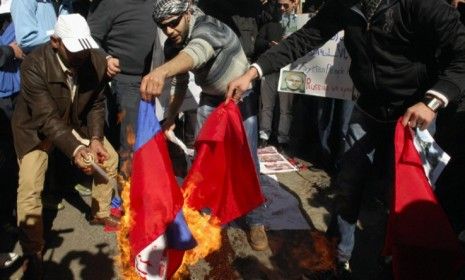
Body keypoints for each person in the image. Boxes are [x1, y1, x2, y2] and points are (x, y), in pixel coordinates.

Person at [227, 0, 465, 276]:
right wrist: (253, 72)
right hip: (367, 111)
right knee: (347, 186)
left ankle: (397, 262)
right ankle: (338, 258)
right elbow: (304, 38)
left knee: (405, 198)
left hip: (414, 117)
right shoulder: (345, 5)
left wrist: (433, 100)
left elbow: (461, 54)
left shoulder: (423, 5)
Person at [140, 0, 269, 251]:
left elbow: (196, 52)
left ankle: (255, 221)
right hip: (210, 99)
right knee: (205, 159)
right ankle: (209, 213)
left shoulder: (209, 26)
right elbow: (180, 82)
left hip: (240, 99)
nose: (169, 31)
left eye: (173, 23)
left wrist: (161, 72)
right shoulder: (172, 45)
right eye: (162, 27)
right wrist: (170, 118)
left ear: (187, 13)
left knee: (247, 159)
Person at [11, 14, 119, 278]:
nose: (82, 54)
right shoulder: (34, 65)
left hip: (72, 122)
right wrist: (76, 150)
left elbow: (95, 102)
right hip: (35, 128)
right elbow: (46, 118)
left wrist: (93, 140)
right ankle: (33, 250)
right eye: (74, 49)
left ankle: (100, 212)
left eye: (85, 47)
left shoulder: (92, 58)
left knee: (109, 158)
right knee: (29, 187)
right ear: (55, 41)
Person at [87, 0, 159, 178]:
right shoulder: (109, 3)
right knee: (130, 141)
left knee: (152, 140)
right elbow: (89, 36)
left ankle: (146, 187)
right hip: (126, 80)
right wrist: (106, 58)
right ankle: (127, 192)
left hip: (156, 76)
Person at [256, 0, 298, 152]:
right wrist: (269, 45)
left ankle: (283, 139)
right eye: (279, 5)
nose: (281, 8)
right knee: (267, 105)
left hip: (290, 72)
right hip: (270, 70)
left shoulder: (301, 24)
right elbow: (258, 43)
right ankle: (264, 136)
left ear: (295, 3)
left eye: (285, 5)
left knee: (286, 108)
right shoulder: (269, 24)